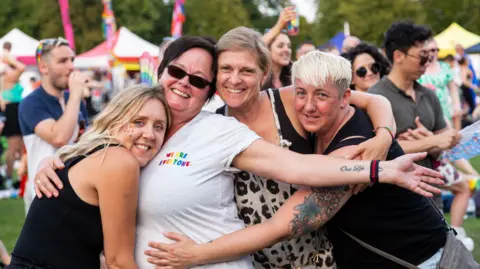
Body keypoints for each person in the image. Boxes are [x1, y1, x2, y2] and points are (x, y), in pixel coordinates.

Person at [35, 36, 443, 269]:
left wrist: (381, 166)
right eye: (177, 72)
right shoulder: (146, 126)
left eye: (198, 80)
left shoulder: (233, 123)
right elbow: (104, 155)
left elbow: (302, 163)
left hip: (322, 256)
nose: (185, 83)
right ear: (161, 72)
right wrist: (62, 161)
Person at [144, 51, 454, 269]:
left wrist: (198, 255)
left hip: (420, 260)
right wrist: (387, 133)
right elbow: (375, 99)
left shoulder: (357, 146)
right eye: (301, 93)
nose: (307, 105)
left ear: (344, 98)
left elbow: (283, 224)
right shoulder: (319, 122)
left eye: (321, 95)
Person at [214, 26, 400, 269]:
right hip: (254, 263)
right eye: (226, 68)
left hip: (318, 259)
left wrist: (384, 137)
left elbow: (374, 100)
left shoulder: (294, 98)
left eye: (247, 70)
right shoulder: (213, 127)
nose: (235, 79)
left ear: (264, 74)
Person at [7, 84, 171, 269]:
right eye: (139, 122)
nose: (149, 134)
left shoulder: (94, 153)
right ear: (115, 120)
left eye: (159, 127)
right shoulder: (119, 161)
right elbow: (118, 262)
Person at [18, 37, 89, 214]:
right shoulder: (32, 102)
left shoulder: (74, 101)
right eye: (63, 61)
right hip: (45, 193)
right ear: (43, 68)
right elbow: (59, 137)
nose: (71, 66)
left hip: (78, 188)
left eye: (72, 60)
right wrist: (75, 96)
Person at [418, 39, 462, 129]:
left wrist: (457, 107)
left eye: (435, 50)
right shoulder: (419, 68)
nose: (433, 53)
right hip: (425, 110)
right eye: (430, 50)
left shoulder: (445, 66)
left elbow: (453, 90)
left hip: (445, 109)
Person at [0, 46, 25, 190]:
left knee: (21, 148)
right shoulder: (8, 77)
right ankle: (9, 177)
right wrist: (8, 57)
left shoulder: (6, 77)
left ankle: (18, 176)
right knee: (13, 147)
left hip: (15, 110)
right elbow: (21, 67)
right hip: (12, 111)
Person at [262, 6, 296, 90]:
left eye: (289, 46)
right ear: (267, 49)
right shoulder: (258, 78)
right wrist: (279, 25)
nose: (286, 50)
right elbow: (255, 47)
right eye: (280, 46)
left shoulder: (295, 77)